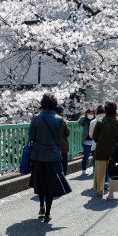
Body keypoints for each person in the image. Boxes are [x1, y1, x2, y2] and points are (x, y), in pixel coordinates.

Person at [29, 93, 72, 222]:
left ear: (42, 104)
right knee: (51, 185)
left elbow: (31, 136)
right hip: (53, 156)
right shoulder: (59, 119)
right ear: (54, 104)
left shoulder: (36, 118)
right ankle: (48, 213)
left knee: (40, 183)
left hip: (38, 156)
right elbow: (61, 139)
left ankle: (41, 207)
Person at [92, 101, 118, 199]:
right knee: (113, 171)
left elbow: (95, 137)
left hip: (101, 150)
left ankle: (100, 190)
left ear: (105, 110)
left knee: (100, 171)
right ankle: (111, 194)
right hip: (114, 151)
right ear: (115, 110)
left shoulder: (100, 121)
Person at [89, 104, 108, 187]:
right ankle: (106, 181)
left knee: (97, 164)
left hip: (95, 146)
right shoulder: (109, 120)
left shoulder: (93, 122)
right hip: (107, 146)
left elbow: (91, 135)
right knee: (106, 164)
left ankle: (98, 183)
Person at [78, 108, 95, 175]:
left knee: (95, 157)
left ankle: (94, 170)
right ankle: (84, 170)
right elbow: (79, 122)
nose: (90, 115)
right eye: (89, 113)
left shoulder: (96, 120)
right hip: (86, 141)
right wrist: (85, 116)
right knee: (86, 156)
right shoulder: (84, 119)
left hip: (94, 141)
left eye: (92, 113)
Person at [55, 105, 70, 176]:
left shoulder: (52, 119)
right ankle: (63, 178)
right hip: (63, 146)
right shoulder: (62, 120)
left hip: (53, 147)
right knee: (63, 164)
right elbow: (67, 133)